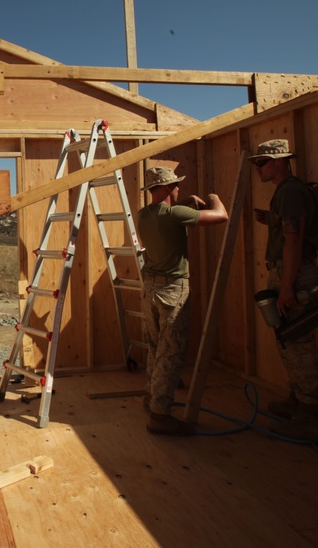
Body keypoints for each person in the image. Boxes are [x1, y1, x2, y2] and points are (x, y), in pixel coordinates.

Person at [136, 165, 229, 435]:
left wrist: (187, 203)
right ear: (165, 188)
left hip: (150, 290)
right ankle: (160, 415)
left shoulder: (144, 215)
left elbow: (174, 215)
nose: (179, 189)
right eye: (175, 186)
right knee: (172, 352)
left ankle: (150, 398)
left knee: (155, 348)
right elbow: (221, 215)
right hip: (172, 291)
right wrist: (212, 195)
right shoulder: (174, 214)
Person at [249, 138, 318, 442]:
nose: (258, 169)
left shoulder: (292, 192)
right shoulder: (288, 193)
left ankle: (310, 414)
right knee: (289, 340)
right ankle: (298, 401)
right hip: (290, 272)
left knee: (299, 343)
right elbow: (292, 228)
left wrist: (286, 287)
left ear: (280, 162)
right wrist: (270, 220)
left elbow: (294, 239)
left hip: (293, 275)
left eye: (262, 163)